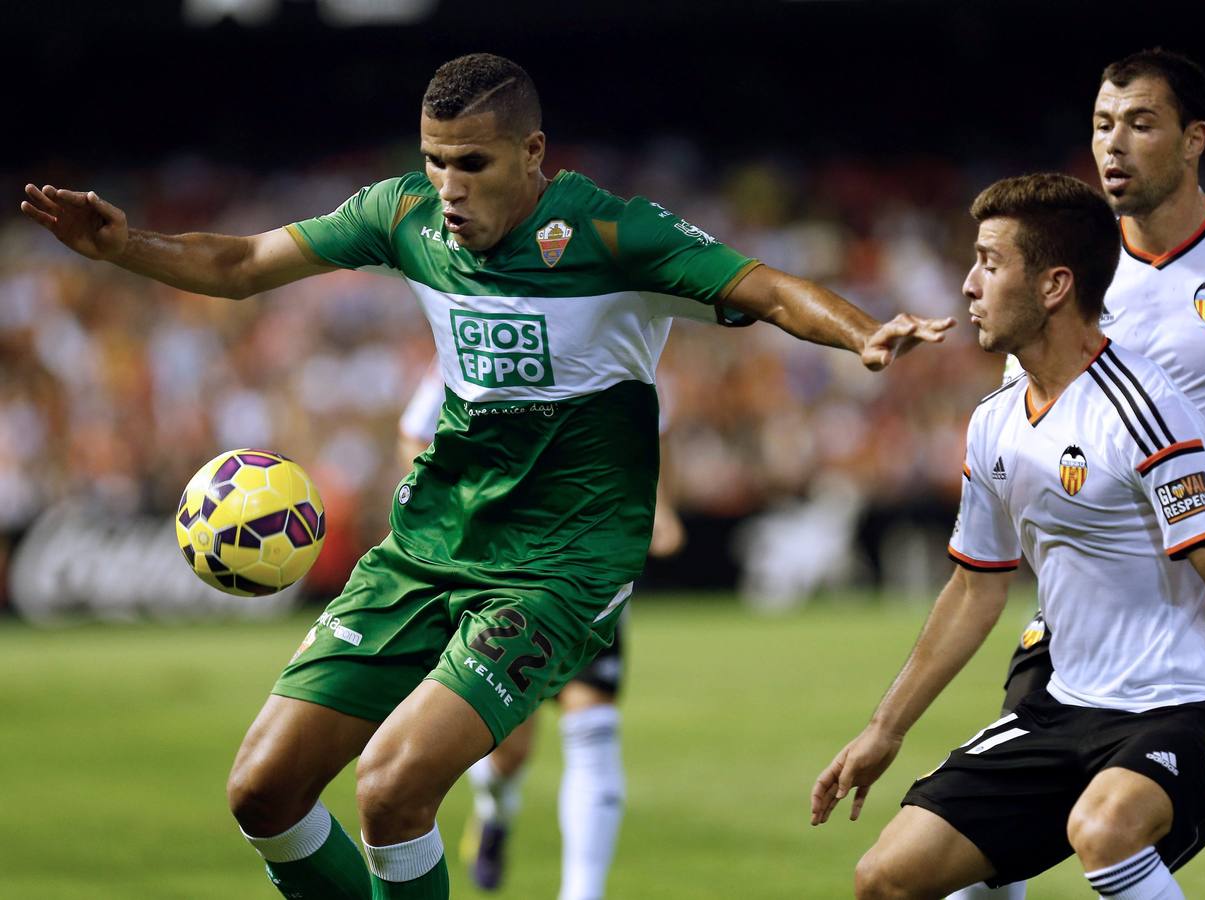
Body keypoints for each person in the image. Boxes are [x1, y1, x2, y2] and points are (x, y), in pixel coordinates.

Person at [21, 53, 952, 899]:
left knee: (391, 788)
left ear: (532, 152)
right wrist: (122, 246)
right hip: (432, 541)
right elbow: (240, 262)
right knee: (262, 791)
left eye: (472, 163)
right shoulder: (403, 217)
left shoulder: (611, 233)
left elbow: (770, 288)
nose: (448, 186)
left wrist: (862, 331)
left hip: (561, 564)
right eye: (435, 160)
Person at [810, 172, 1205, 900]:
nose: (968, 285)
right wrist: (885, 730)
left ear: (1055, 285)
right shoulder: (995, 421)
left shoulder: (1144, 410)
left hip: (1185, 702)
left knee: (1103, 832)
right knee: (884, 879)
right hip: (1065, 705)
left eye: (990, 264)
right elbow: (975, 588)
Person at [951, 49, 1205, 900]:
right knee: (1015, 764)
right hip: (1111, 572)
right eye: (1104, 124)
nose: (1115, 144)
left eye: (1140, 123)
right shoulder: (1066, 277)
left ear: (1193, 139)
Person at [397, 359, 687, 898]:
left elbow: (650, 434)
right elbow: (414, 433)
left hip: (586, 565)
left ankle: (583, 892)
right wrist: (453, 513)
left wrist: (660, 506)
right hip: (500, 573)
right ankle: (495, 808)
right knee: (511, 749)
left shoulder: (622, 343)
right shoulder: (478, 335)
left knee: (594, 727)